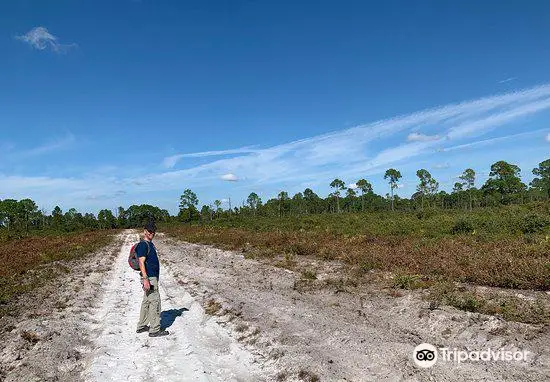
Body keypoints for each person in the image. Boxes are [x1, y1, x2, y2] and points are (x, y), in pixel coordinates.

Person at [136, 221, 169, 337]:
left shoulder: (150, 244)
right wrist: (145, 279)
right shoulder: (143, 245)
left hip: (151, 277)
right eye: (149, 231)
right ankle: (154, 329)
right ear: (145, 231)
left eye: (153, 231)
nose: (152, 233)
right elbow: (141, 261)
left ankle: (142, 325)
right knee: (155, 301)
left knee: (147, 301)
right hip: (149, 278)